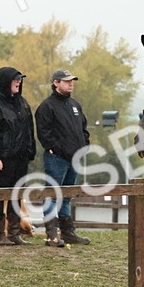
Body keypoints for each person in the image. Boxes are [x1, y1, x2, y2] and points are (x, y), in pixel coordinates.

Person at [35, 69, 91, 247]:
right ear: (56, 83)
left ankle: (68, 232)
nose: (71, 83)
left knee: (67, 195)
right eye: (66, 81)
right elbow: (45, 134)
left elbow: (83, 127)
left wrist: (85, 145)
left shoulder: (75, 104)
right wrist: (57, 149)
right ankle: (51, 233)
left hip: (74, 158)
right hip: (56, 159)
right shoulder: (46, 107)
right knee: (52, 194)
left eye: (72, 81)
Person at [0, 67, 36, 246]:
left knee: (17, 194)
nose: (19, 82)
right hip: (3, 159)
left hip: (21, 157)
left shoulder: (23, 102)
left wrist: (30, 151)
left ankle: (14, 232)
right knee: (0, 196)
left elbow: (29, 129)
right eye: (16, 79)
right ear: (6, 81)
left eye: (20, 79)